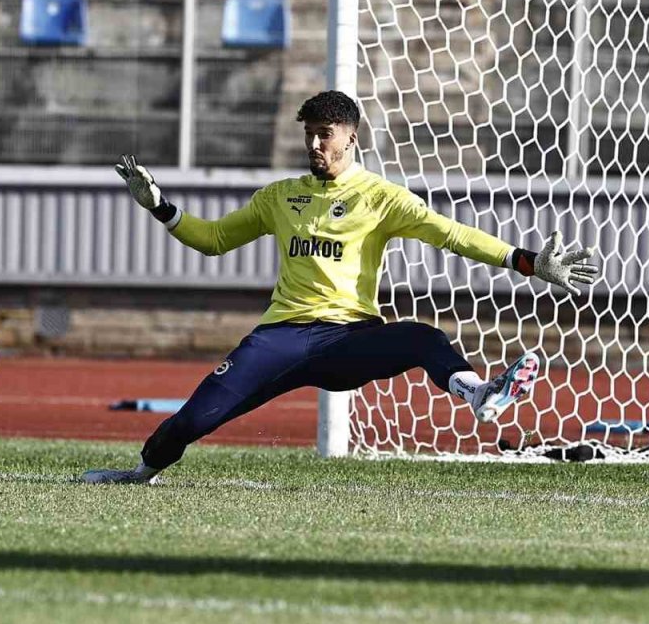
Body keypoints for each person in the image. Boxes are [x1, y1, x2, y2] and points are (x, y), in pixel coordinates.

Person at [82, 90, 599, 484]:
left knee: (421, 338)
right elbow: (214, 240)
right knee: (195, 418)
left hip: (348, 338)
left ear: (351, 137)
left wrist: (529, 262)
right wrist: (159, 207)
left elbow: (451, 234)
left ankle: (478, 391)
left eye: (325, 133)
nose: (314, 143)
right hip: (280, 338)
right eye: (309, 133)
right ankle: (142, 471)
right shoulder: (280, 196)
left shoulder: (381, 197)